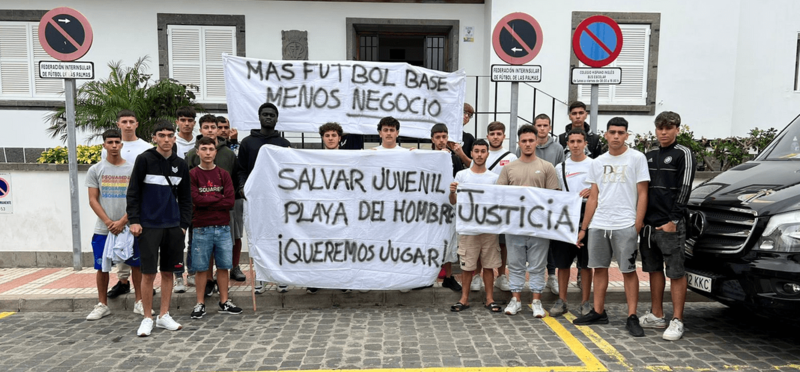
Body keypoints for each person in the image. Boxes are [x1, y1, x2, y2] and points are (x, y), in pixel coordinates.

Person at [572, 117, 650, 338]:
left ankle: (632, 315)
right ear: (606, 134)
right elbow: (594, 197)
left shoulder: (637, 158)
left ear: (627, 135)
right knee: (599, 268)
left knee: (627, 270)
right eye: (612, 132)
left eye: (621, 132)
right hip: (599, 224)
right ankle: (598, 311)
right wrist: (584, 228)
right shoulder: (597, 162)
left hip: (625, 223)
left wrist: (637, 223)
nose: (616, 136)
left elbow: (643, 192)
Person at [127, 119, 192, 337]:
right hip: (148, 226)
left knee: (168, 272)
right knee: (147, 273)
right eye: (161, 135)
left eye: (170, 135)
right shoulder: (144, 159)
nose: (166, 139)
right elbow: (133, 192)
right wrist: (134, 220)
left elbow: (186, 199)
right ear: (154, 137)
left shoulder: (181, 164)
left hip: (173, 227)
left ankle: (164, 315)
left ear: (175, 138)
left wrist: (183, 225)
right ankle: (147, 317)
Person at [638, 111, 695, 341]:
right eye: (660, 128)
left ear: (677, 129)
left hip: (670, 225)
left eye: (668, 128)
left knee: (676, 272)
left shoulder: (684, 154)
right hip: (649, 226)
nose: (663, 132)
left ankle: (677, 320)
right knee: (653, 270)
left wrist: (674, 220)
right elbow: (642, 190)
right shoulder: (649, 155)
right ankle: (657, 314)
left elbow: (685, 188)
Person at [496, 125, 560, 317]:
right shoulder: (509, 168)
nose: (528, 144)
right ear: (519, 143)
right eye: (524, 141)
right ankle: (515, 299)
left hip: (539, 226)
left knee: (537, 265)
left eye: (531, 140)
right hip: (514, 225)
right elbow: (499, 195)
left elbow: (554, 196)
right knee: (515, 264)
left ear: (536, 141)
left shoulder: (546, 167)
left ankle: (536, 301)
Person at [85, 129, 144, 320]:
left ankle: (140, 302)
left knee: (137, 265)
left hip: (130, 226)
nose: (113, 145)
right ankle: (102, 304)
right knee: (102, 267)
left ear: (122, 145)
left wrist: (123, 221)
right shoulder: (95, 170)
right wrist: (109, 222)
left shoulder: (132, 169)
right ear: (104, 145)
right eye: (109, 142)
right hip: (104, 228)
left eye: (117, 142)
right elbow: (93, 199)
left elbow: (138, 199)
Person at [181, 114, 242, 295]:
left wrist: (216, 198)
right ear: (200, 130)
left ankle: (225, 289)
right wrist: (215, 198)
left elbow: (231, 190)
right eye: (206, 127)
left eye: (213, 127)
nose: (210, 130)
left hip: (223, 215)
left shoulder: (229, 154)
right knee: (202, 251)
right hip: (200, 217)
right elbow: (192, 193)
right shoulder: (192, 155)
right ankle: (207, 281)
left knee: (225, 248)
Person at [238, 102, 292, 293]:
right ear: (259, 117)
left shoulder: (284, 145)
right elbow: (241, 170)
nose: (268, 117)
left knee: (280, 236)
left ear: (277, 119)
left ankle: (279, 276)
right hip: (255, 200)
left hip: (277, 199)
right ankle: (260, 277)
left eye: (272, 115)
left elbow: (290, 171)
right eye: (265, 114)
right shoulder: (247, 143)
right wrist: (243, 188)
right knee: (257, 237)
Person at [189, 137, 243, 319]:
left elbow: (229, 201)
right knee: (201, 268)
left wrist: (208, 201)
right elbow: (195, 199)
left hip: (222, 227)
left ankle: (224, 301)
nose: (207, 152)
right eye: (203, 149)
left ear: (215, 152)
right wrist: (216, 198)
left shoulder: (223, 174)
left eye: (210, 149)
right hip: (201, 227)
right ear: (197, 152)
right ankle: (200, 303)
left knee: (223, 266)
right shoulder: (193, 175)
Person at [104, 110, 151, 302]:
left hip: (140, 201)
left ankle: (144, 286)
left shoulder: (146, 147)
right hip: (116, 201)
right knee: (119, 244)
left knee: (139, 244)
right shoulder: (109, 146)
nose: (128, 125)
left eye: (132, 121)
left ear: (137, 124)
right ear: (118, 124)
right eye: (124, 121)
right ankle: (123, 282)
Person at [449, 139, 501, 312]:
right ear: (471, 153)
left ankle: (489, 298)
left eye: (483, 151)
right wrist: (451, 192)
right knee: (467, 266)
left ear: (488, 153)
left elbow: (499, 202)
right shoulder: (461, 176)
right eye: (476, 151)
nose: (479, 155)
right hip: (468, 228)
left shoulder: (494, 178)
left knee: (488, 265)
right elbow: (453, 202)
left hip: (488, 228)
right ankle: (464, 298)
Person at [550, 128, 595, 317]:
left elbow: (601, 191)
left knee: (585, 263)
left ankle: (585, 301)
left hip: (589, 215)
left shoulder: (594, 165)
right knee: (563, 262)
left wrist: (593, 192)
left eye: (579, 141)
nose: (575, 145)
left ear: (586, 144)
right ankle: (562, 299)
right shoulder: (560, 168)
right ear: (567, 144)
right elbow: (555, 192)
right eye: (572, 141)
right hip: (566, 216)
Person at [471, 121, 518, 294]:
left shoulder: (511, 157)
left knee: (502, 243)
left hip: (503, 206)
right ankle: (477, 275)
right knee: (480, 241)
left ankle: (501, 276)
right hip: (482, 206)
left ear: (504, 136)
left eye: (499, 133)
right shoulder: (481, 153)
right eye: (492, 133)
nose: (496, 136)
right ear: (488, 136)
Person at [318, 122, 355, 294]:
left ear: (340, 138)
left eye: (334, 135)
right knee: (320, 244)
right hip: (320, 209)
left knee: (342, 245)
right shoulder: (311, 157)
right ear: (323, 138)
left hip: (343, 210)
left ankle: (342, 280)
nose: (331, 138)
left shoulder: (350, 157)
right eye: (327, 135)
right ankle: (318, 280)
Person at [531, 113, 565, 295]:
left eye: (545, 125)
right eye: (539, 125)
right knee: (534, 239)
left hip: (551, 200)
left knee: (551, 240)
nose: (542, 128)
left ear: (550, 127)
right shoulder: (527, 145)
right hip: (532, 200)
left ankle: (552, 275)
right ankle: (534, 275)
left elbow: (560, 173)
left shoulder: (558, 148)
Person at [430, 123, 464, 292]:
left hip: (447, 205)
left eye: (444, 137)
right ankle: (427, 276)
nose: (441, 140)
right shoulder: (426, 157)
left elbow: (459, 181)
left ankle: (448, 277)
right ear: (432, 139)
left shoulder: (454, 159)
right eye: (438, 137)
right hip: (429, 207)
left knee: (448, 241)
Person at [216, 116, 246, 283]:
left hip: (234, 198)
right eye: (219, 127)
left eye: (225, 127)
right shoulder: (207, 147)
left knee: (236, 236)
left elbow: (240, 165)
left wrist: (234, 142)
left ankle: (235, 266)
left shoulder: (235, 147)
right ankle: (217, 270)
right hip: (213, 200)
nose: (222, 130)